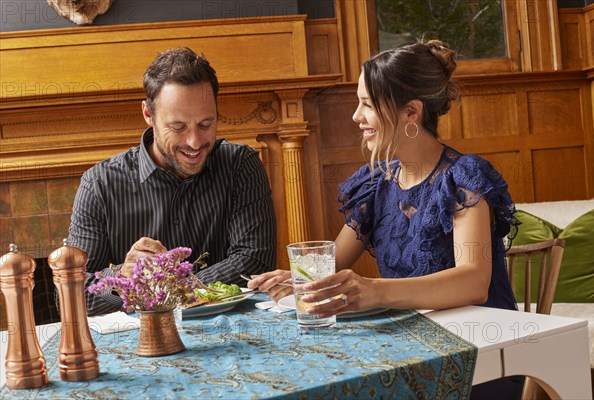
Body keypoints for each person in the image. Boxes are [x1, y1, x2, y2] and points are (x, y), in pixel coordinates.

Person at [249, 38, 522, 399]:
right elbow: (331, 263)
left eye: (366, 105)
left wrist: (375, 291)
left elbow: (474, 281)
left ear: (411, 112)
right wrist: (301, 281)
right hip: (411, 349)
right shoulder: (377, 183)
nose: (356, 116)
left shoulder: (463, 177)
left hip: (480, 355)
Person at [69, 47, 276, 316]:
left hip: (234, 339)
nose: (195, 142)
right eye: (178, 127)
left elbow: (255, 259)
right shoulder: (98, 185)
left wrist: (165, 285)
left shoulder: (241, 165)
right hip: (143, 346)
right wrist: (122, 275)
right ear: (148, 114)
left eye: (205, 124)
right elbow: (73, 296)